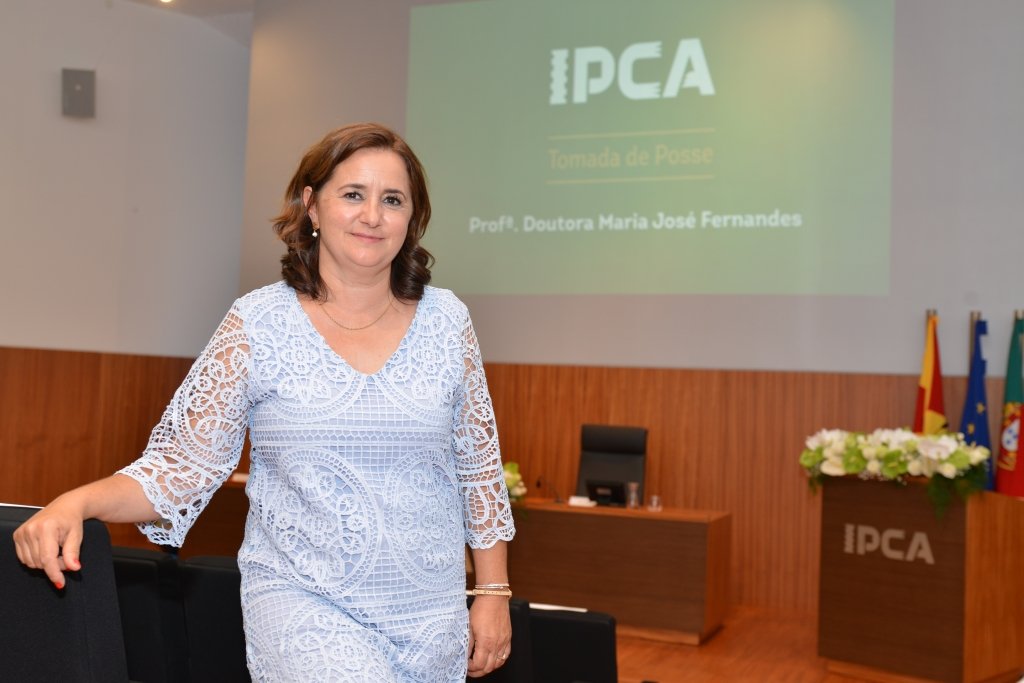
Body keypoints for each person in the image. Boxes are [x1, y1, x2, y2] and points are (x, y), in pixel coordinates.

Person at [13, 123, 516, 681]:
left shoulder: (448, 320)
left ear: (412, 218)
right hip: (304, 605)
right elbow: (179, 470)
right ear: (312, 205)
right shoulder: (257, 323)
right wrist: (76, 502)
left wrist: (493, 592)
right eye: (353, 194)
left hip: (428, 616)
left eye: (392, 200)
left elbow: (478, 470)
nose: (373, 215)